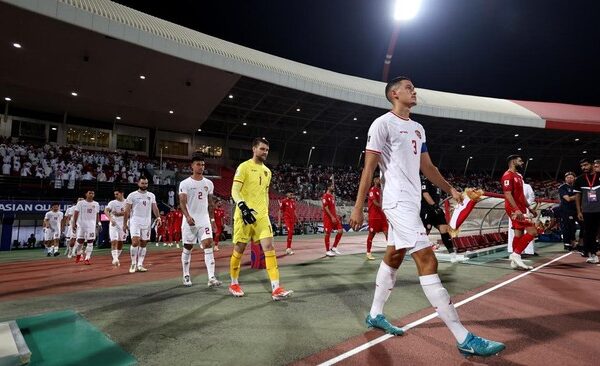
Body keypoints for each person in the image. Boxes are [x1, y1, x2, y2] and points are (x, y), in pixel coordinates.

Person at [349, 76, 504, 357]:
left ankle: (374, 314)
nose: (414, 91)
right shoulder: (381, 124)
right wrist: (358, 206)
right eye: (409, 88)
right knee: (427, 258)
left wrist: (452, 190)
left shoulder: (418, 128)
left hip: (411, 202)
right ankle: (463, 337)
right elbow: (368, 169)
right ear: (394, 94)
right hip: (396, 202)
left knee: (395, 255)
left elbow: (428, 167)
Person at [227, 137, 292, 300]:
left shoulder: (267, 171)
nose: (265, 152)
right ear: (254, 149)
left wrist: (267, 213)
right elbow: (235, 190)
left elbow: (265, 195)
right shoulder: (244, 167)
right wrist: (242, 206)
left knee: (269, 247)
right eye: (262, 149)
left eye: (267, 150)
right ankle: (234, 283)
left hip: (261, 217)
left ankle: (276, 288)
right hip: (244, 215)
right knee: (239, 249)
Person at [178, 153, 221, 287]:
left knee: (208, 244)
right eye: (198, 164)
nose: (201, 167)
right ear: (192, 166)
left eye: (203, 164)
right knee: (188, 247)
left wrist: (212, 220)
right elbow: (182, 203)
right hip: (190, 220)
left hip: (204, 220)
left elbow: (210, 203)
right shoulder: (185, 183)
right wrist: (188, 217)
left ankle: (211, 277)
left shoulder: (209, 183)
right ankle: (186, 275)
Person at [501, 155, 539, 270]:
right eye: (520, 160)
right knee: (533, 231)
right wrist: (516, 209)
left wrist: (529, 208)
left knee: (519, 234)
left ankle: (514, 259)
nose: (522, 162)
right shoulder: (507, 175)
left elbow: (521, 195)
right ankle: (516, 255)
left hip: (521, 208)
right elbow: (507, 194)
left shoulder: (518, 176)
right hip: (514, 209)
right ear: (513, 161)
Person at [123, 177, 162, 273]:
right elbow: (127, 210)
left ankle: (140, 264)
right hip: (135, 221)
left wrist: (158, 217)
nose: (144, 185)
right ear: (138, 183)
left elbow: (155, 208)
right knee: (135, 242)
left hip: (147, 222)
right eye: (142, 183)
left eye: (146, 183)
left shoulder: (151, 195)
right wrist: (124, 223)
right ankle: (133, 263)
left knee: (144, 243)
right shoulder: (132, 195)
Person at [420, 175, 457, 262]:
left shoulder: (438, 184)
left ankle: (452, 255)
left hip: (436, 210)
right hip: (427, 209)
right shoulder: (425, 181)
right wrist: (434, 206)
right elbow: (425, 194)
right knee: (426, 231)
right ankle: (419, 253)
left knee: (445, 230)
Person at [573, 158, 600, 264]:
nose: (583, 167)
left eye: (586, 165)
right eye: (582, 166)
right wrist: (579, 211)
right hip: (588, 211)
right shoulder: (579, 179)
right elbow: (577, 196)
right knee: (589, 233)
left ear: (592, 164)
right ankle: (593, 254)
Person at [71, 190, 100, 265]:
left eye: (93, 193)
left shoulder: (96, 204)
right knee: (80, 241)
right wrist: (74, 223)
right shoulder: (80, 203)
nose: (91, 194)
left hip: (91, 225)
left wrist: (98, 223)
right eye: (89, 193)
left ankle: (87, 258)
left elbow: (97, 214)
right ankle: (78, 253)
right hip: (81, 225)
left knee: (90, 241)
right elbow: (76, 213)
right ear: (86, 194)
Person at [366, 176, 387, 260]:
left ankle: (391, 252)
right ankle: (368, 252)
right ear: (375, 181)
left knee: (387, 233)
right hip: (374, 216)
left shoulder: (381, 190)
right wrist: (383, 206)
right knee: (372, 234)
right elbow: (375, 202)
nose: (380, 180)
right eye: (378, 179)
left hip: (382, 216)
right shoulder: (372, 190)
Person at [105, 189, 127, 267]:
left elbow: (131, 212)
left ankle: (116, 257)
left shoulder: (127, 202)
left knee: (121, 242)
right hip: (114, 224)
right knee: (114, 241)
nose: (115, 196)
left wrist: (120, 214)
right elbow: (106, 210)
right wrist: (110, 219)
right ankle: (115, 259)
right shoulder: (112, 203)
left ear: (122, 193)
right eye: (115, 194)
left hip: (124, 224)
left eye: (117, 194)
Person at [558, 172, 579, 251]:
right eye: (568, 177)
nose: (569, 178)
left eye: (571, 177)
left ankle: (574, 242)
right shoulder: (562, 187)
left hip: (576, 209)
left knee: (574, 227)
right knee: (567, 227)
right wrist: (578, 196)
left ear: (574, 178)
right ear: (565, 178)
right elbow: (568, 199)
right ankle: (567, 244)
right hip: (566, 210)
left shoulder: (576, 186)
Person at [322, 183, 343, 257]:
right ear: (328, 187)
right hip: (328, 218)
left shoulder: (332, 196)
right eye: (332, 186)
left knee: (340, 231)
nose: (333, 187)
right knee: (327, 233)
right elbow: (326, 208)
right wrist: (331, 217)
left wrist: (336, 215)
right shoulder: (325, 196)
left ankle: (334, 247)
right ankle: (327, 251)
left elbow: (332, 208)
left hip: (334, 217)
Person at [279, 191, 297, 255]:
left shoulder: (293, 202)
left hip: (292, 220)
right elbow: (280, 211)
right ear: (287, 194)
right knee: (289, 231)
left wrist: (297, 220)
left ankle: (288, 248)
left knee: (291, 233)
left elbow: (294, 211)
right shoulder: (283, 201)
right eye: (290, 193)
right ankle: (288, 248)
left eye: (292, 194)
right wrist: (279, 221)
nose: (291, 194)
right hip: (287, 219)